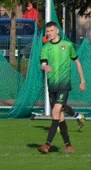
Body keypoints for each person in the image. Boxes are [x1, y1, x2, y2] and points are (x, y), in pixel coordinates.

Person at [37, 21, 86, 154]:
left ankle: (47, 145)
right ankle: (68, 145)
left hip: (64, 84)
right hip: (52, 84)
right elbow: (43, 63)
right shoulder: (46, 47)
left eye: (51, 31)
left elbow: (77, 62)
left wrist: (82, 80)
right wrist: (44, 67)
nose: (49, 33)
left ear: (57, 31)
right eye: (47, 31)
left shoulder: (68, 45)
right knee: (60, 116)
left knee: (55, 111)